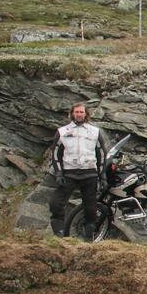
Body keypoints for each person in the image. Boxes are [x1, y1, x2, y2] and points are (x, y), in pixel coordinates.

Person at [49, 102, 107, 239]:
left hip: (89, 173)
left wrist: (102, 175)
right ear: (72, 113)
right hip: (69, 173)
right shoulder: (63, 131)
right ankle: (59, 233)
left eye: (81, 112)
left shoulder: (95, 132)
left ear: (86, 114)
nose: (79, 114)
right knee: (56, 203)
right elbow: (56, 154)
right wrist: (59, 173)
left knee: (90, 207)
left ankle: (89, 236)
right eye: (77, 112)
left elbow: (101, 154)